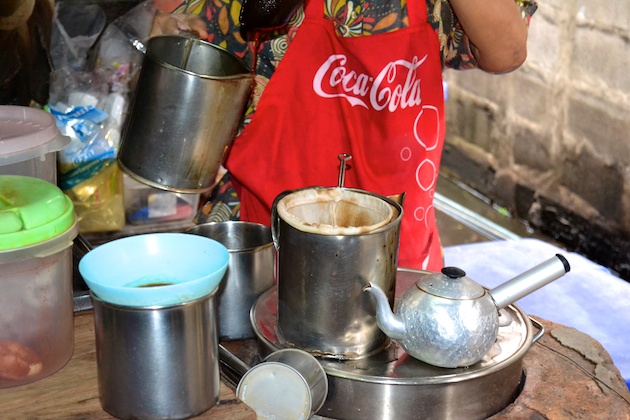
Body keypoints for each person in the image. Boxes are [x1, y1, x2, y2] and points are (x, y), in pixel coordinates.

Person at [149, 0, 537, 271]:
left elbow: (506, 50)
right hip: (263, 245)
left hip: (394, 252)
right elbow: (191, 40)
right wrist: (171, 33)